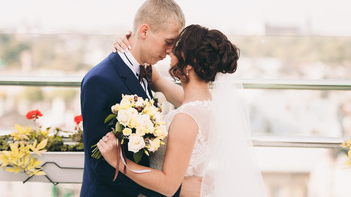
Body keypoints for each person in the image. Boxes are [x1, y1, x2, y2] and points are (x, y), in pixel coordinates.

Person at [98, 24, 268, 196]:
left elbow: (168, 185)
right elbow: (169, 89)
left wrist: (119, 161)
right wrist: (133, 43)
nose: (170, 52)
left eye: (177, 49)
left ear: (189, 66)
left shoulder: (186, 118)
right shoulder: (208, 105)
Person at [81, 0, 192, 197]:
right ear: (144, 31)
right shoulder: (100, 80)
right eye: (168, 42)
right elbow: (100, 162)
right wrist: (161, 191)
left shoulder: (147, 73)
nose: (170, 52)